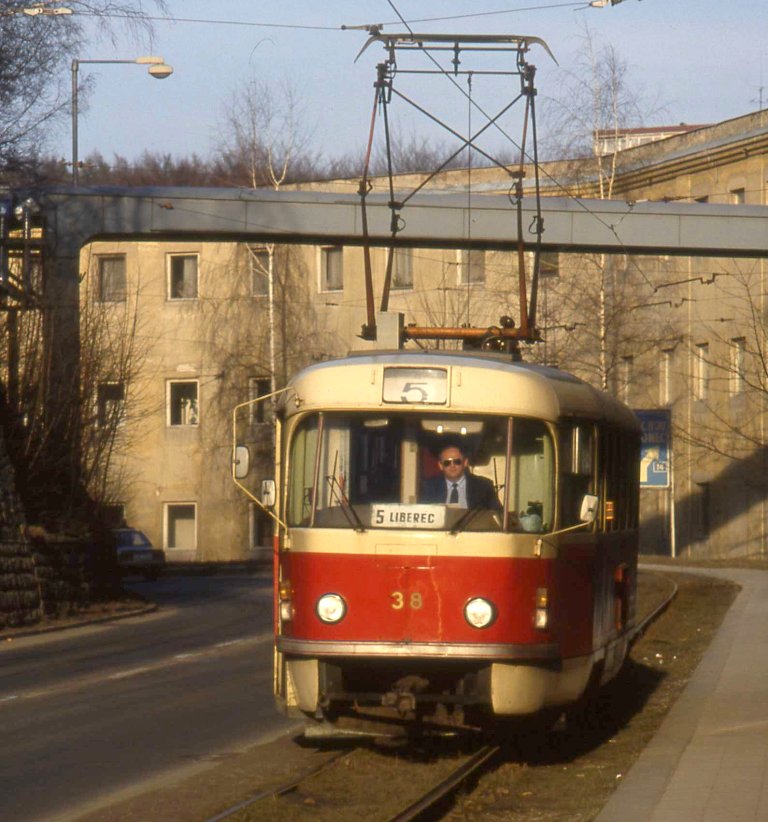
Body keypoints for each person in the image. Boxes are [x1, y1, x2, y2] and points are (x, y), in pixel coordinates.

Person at [421, 444, 501, 510]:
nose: (452, 466)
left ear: (465, 462)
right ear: (440, 465)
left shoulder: (484, 486)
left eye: (457, 462)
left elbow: (498, 515)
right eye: (447, 463)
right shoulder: (429, 487)